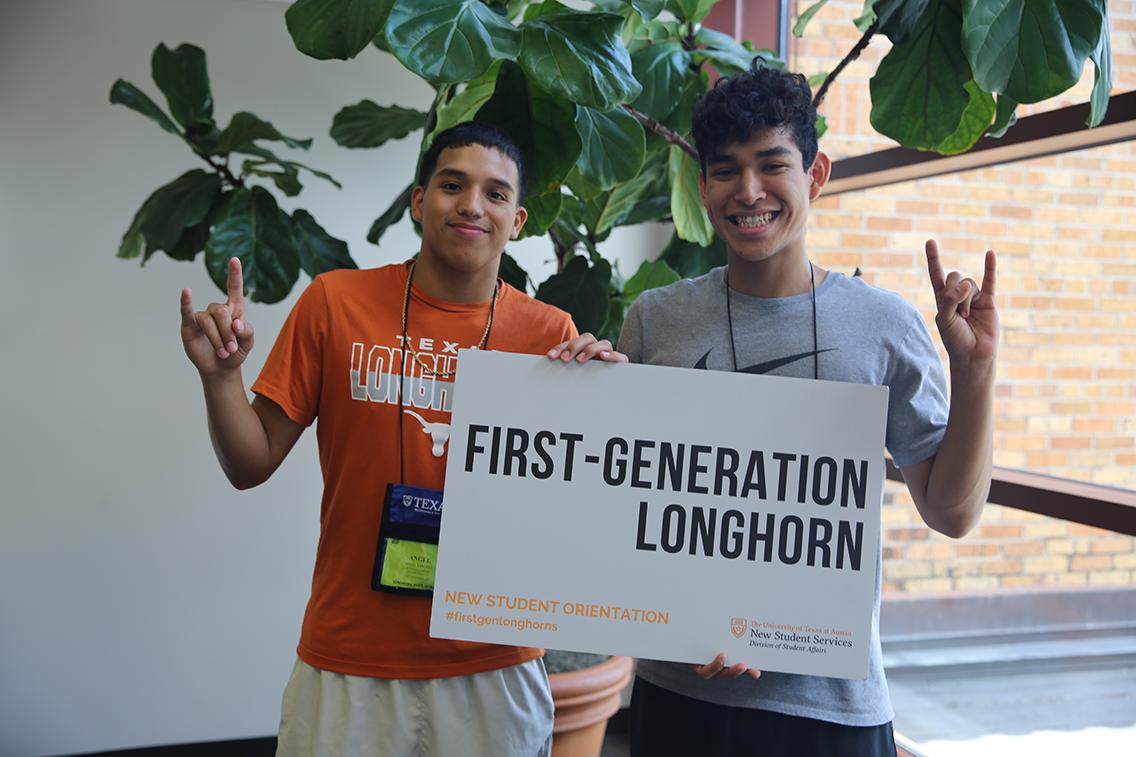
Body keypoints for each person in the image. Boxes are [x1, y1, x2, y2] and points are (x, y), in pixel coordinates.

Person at [179, 122, 621, 757]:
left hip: (493, 663)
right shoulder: (335, 302)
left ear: (517, 219)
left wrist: (603, 406)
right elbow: (251, 464)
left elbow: (577, 508)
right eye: (452, 184)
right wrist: (222, 378)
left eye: (496, 195)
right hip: (349, 656)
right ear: (419, 201)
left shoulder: (549, 335)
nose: (472, 204)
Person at [617, 63, 998, 755]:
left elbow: (952, 512)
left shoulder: (883, 325)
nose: (749, 191)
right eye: (725, 171)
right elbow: (627, 511)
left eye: (772, 165)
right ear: (703, 188)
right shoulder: (655, 320)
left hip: (831, 713)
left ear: (816, 174)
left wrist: (975, 372)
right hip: (680, 697)